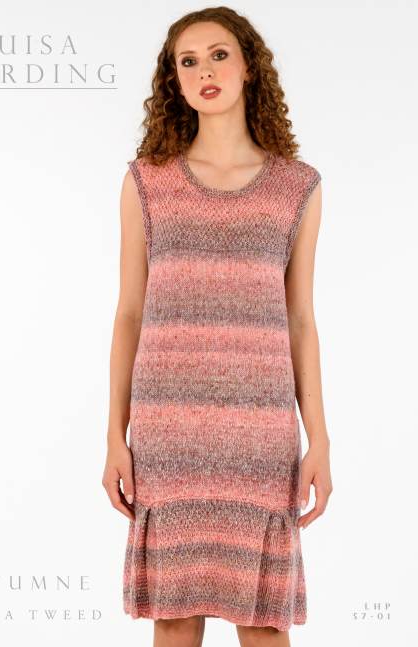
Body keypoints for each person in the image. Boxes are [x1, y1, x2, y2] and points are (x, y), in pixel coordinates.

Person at [102, 6, 333, 646]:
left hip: (260, 433)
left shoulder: (298, 187)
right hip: (168, 430)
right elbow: (128, 313)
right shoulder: (147, 182)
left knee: (263, 625)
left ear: (249, 67)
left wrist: (319, 439)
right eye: (189, 61)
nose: (205, 70)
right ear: (174, 81)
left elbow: (301, 319)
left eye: (219, 54)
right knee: (175, 619)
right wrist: (115, 435)